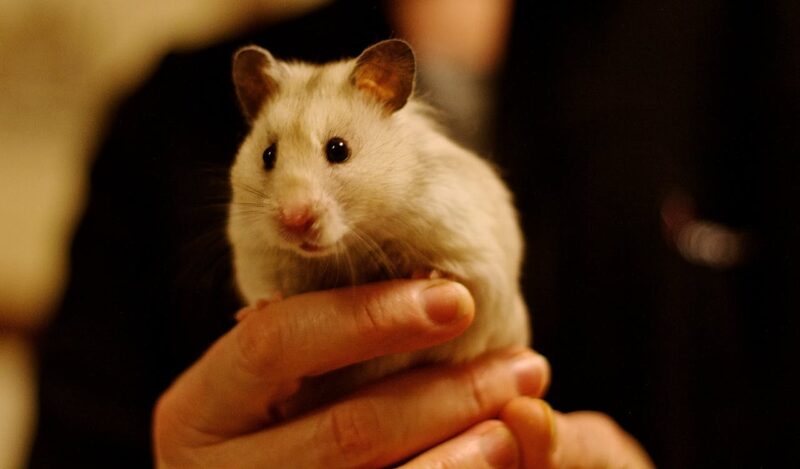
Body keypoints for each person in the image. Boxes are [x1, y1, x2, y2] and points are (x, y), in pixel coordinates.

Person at [13, 1, 658, 467]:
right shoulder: (167, 118)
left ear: (389, 88)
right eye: (270, 159)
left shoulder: (687, 61)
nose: (294, 209)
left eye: (338, 152)